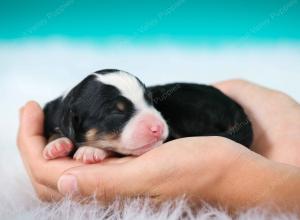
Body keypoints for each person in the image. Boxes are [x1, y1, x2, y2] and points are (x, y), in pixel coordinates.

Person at [17, 79, 300, 213]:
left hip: (218, 114)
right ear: (71, 124)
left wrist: (231, 174)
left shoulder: (88, 112)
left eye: (148, 102)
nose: (156, 124)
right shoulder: (61, 116)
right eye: (119, 113)